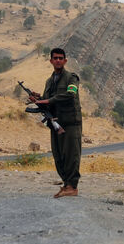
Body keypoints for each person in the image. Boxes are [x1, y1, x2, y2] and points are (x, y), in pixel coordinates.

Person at [27, 48, 82, 198]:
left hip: (70, 123)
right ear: (51, 61)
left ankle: (72, 187)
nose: (58, 60)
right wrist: (37, 99)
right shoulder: (50, 81)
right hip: (56, 124)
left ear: (65, 61)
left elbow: (70, 94)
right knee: (59, 156)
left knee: (71, 155)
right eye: (55, 58)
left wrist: (47, 100)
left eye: (60, 58)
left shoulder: (72, 78)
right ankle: (66, 185)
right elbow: (46, 101)